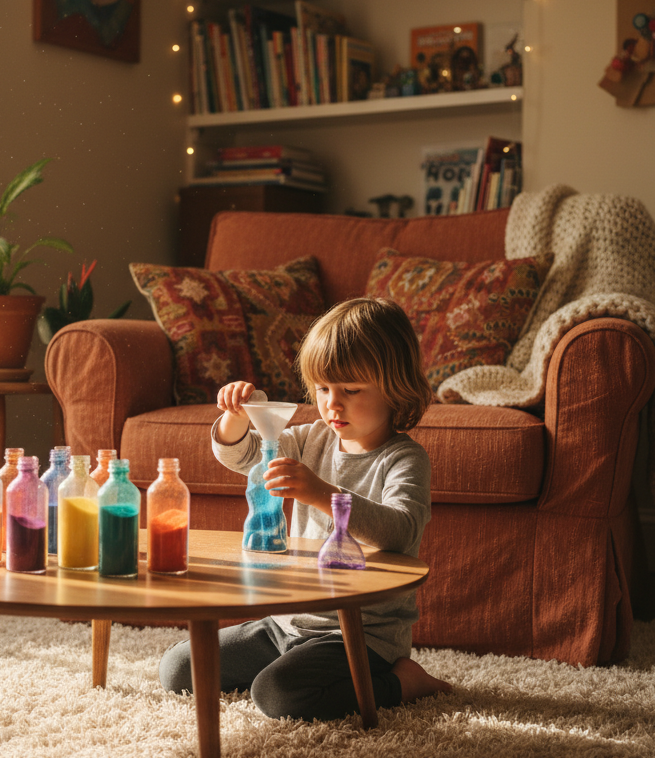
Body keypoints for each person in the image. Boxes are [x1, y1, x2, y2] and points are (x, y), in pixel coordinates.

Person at [157, 297, 452, 721]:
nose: (333, 403)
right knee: (178, 668)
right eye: (323, 389)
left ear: (395, 386)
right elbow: (246, 457)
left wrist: (320, 493)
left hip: (360, 631)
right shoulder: (309, 438)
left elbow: (400, 531)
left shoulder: (403, 459)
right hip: (286, 622)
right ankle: (291, 665)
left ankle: (403, 682)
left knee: (278, 696)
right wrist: (238, 418)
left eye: (351, 391)